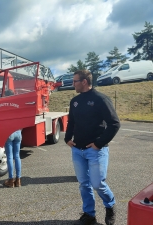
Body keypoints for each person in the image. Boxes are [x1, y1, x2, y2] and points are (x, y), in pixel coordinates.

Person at [64, 70, 120, 225]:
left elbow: (114, 123)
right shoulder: (75, 101)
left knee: (97, 184)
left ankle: (110, 206)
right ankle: (89, 213)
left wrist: (99, 143)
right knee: (84, 184)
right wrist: (67, 138)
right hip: (78, 151)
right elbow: (71, 122)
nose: (72, 84)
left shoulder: (101, 99)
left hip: (96, 151)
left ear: (84, 82)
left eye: (75, 81)